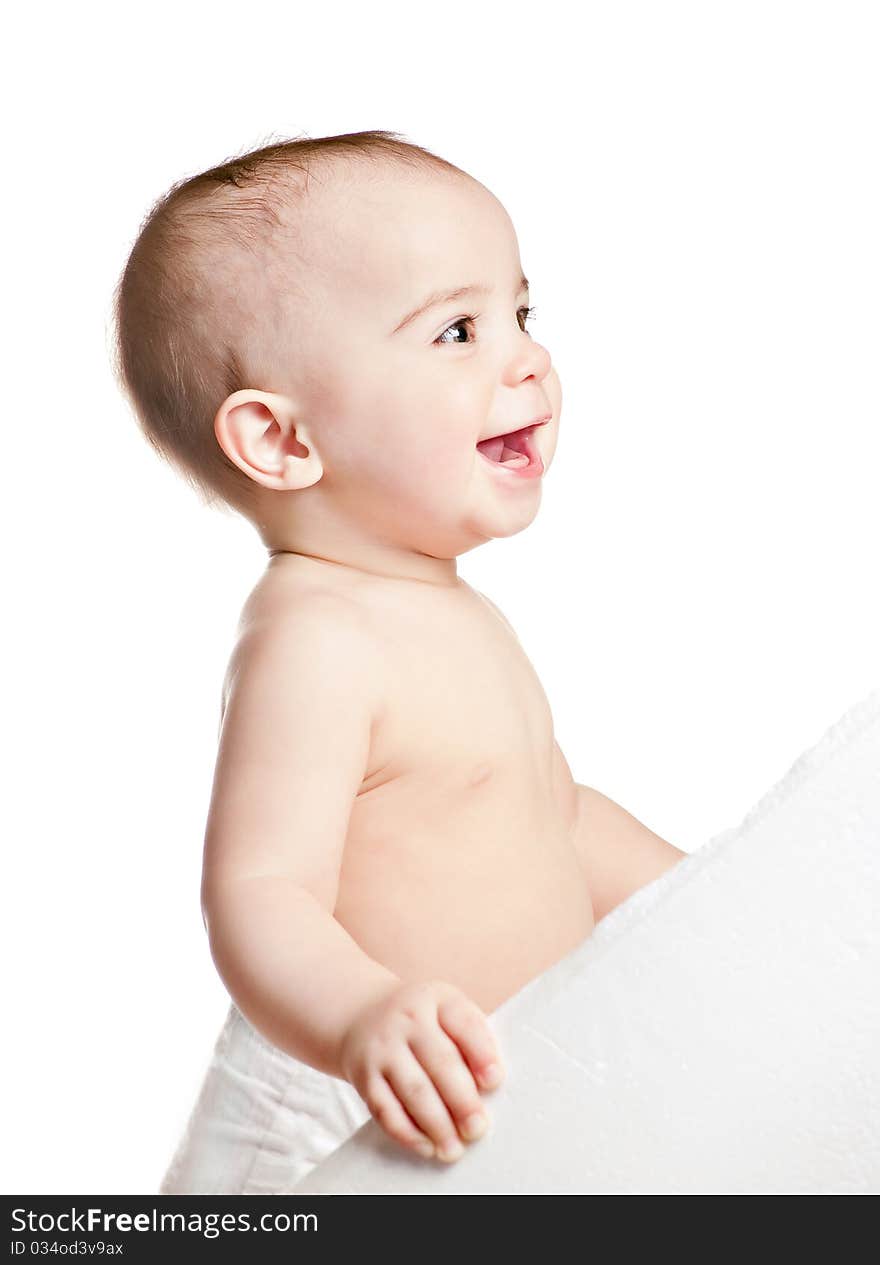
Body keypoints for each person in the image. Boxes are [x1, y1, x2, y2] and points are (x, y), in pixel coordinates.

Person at [113, 129, 686, 1170]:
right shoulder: (316, 637)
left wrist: (693, 903)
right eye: (457, 330)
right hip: (332, 1098)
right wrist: (360, 1015)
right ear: (284, 441)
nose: (526, 356)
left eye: (520, 312)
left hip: (454, 1095)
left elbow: (549, 813)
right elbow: (260, 891)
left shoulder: (449, 610)